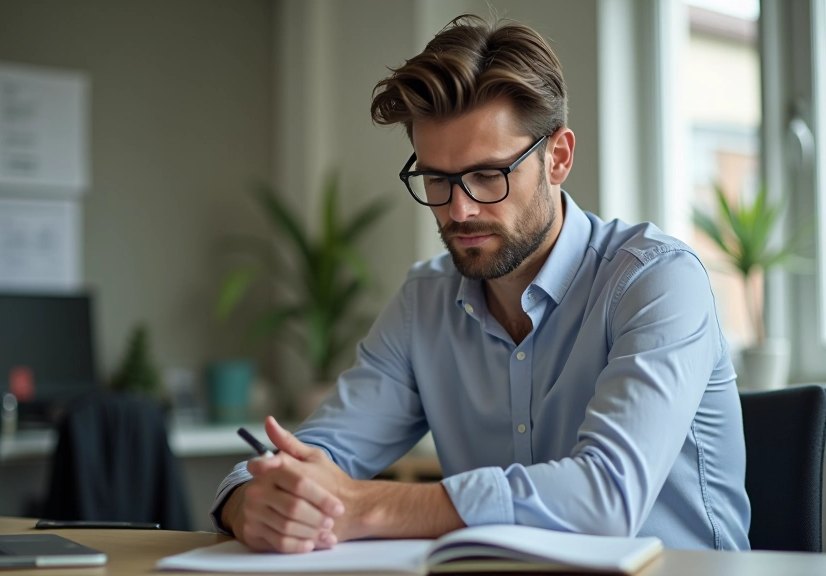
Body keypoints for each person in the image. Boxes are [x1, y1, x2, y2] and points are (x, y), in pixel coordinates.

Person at [211, 14, 751, 553]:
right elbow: (311, 455)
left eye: (488, 175)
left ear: (557, 157)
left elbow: (606, 497)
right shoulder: (424, 302)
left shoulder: (657, 281)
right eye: (437, 179)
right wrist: (250, 503)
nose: (459, 209)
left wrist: (365, 505)